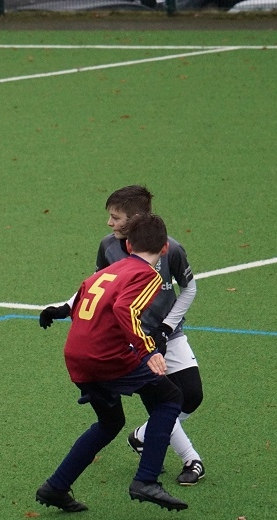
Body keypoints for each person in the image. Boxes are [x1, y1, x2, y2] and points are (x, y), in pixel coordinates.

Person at [40, 185, 206, 486]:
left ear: (137, 219)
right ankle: (189, 459)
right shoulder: (108, 246)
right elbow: (96, 284)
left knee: (191, 395)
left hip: (166, 334)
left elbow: (189, 289)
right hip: (132, 342)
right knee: (162, 398)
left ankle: (143, 436)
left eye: (116, 218)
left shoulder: (170, 248)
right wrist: (65, 307)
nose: (110, 223)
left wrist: (166, 328)